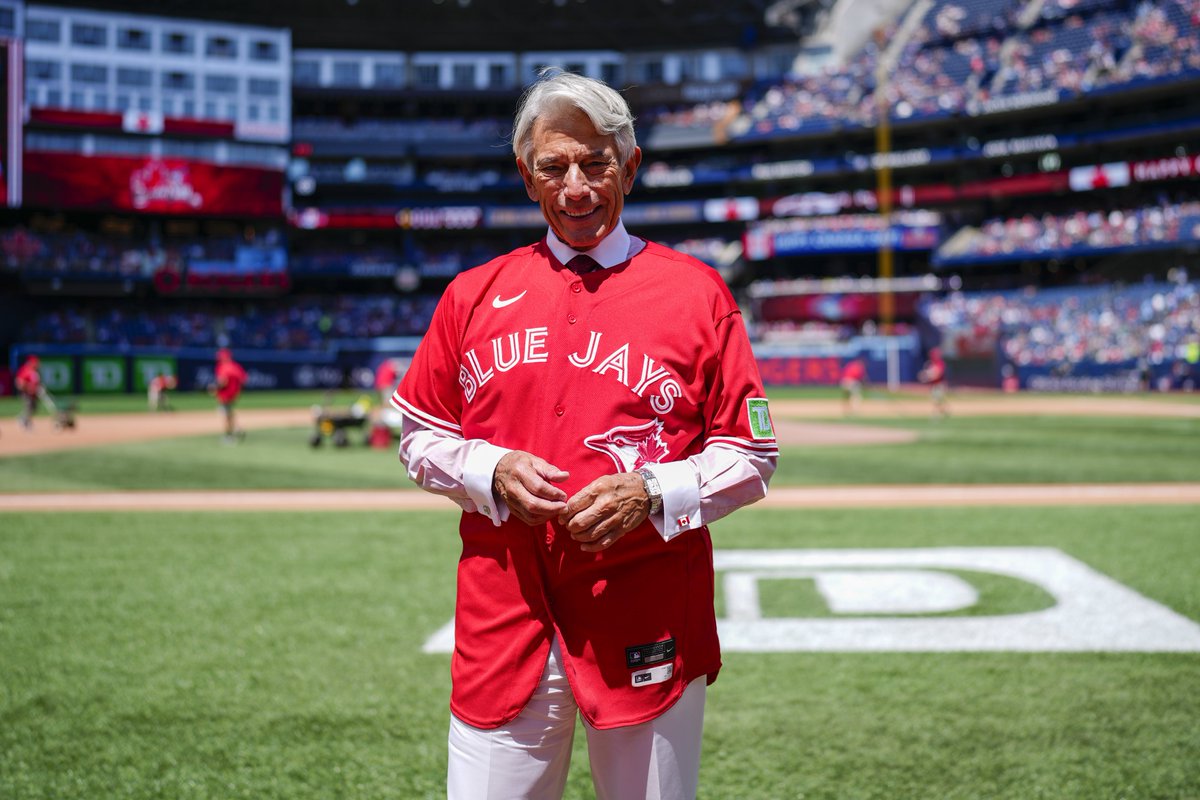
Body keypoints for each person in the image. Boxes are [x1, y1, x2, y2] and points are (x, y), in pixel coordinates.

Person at [391, 70, 778, 800]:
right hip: (503, 615)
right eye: (554, 167)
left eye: (596, 162)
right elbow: (419, 435)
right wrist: (487, 468)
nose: (576, 186)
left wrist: (653, 490)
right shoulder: (471, 296)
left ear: (629, 165)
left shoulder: (699, 294)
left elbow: (752, 454)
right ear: (527, 178)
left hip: (647, 607)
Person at [209, 348, 247, 442]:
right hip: (234, 394)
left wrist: (214, 388)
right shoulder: (236, 366)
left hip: (225, 394)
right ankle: (237, 429)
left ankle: (229, 436)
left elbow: (223, 381)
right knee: (229, 412)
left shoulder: (223, 366)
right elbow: (243, 379)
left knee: (225, 415)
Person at [918, 346, 949, 417]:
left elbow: (938, 374)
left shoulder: (940, 363)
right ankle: (943, 410)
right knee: (936, 399)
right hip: (933, 385)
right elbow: (928, 372)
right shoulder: (930, 363)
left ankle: (937, 413)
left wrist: (928, 377)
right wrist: (925, 376)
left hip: (939, 384)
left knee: (937, 399)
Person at [14, 354, 42, 430]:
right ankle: (25, 422)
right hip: (26, 393)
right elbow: (19, 382)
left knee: (34, 408)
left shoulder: (35, 372)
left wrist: (38, 388)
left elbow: (37, 383)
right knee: (28, 406)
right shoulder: (25, 370)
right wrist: (28, 388)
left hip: (34, 394)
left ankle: (23, 418)